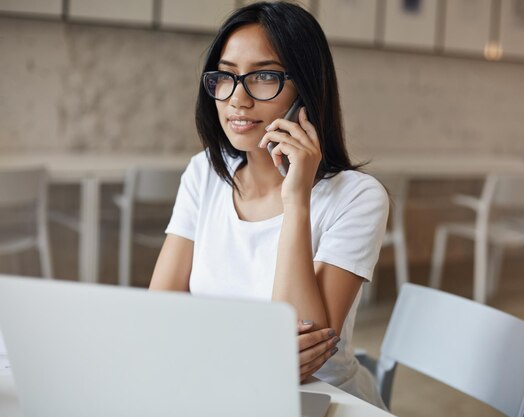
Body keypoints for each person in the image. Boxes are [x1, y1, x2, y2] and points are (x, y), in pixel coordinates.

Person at [149, 1, 389, 408]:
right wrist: (259, 352)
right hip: (218, 388)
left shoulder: (358, 198)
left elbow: (305, 360)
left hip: (316, 404)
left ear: (307, 88)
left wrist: (296, 201)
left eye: (263, 76)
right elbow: (160, 313)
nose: (237, 99)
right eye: (225, 76)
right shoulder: (204, 172)